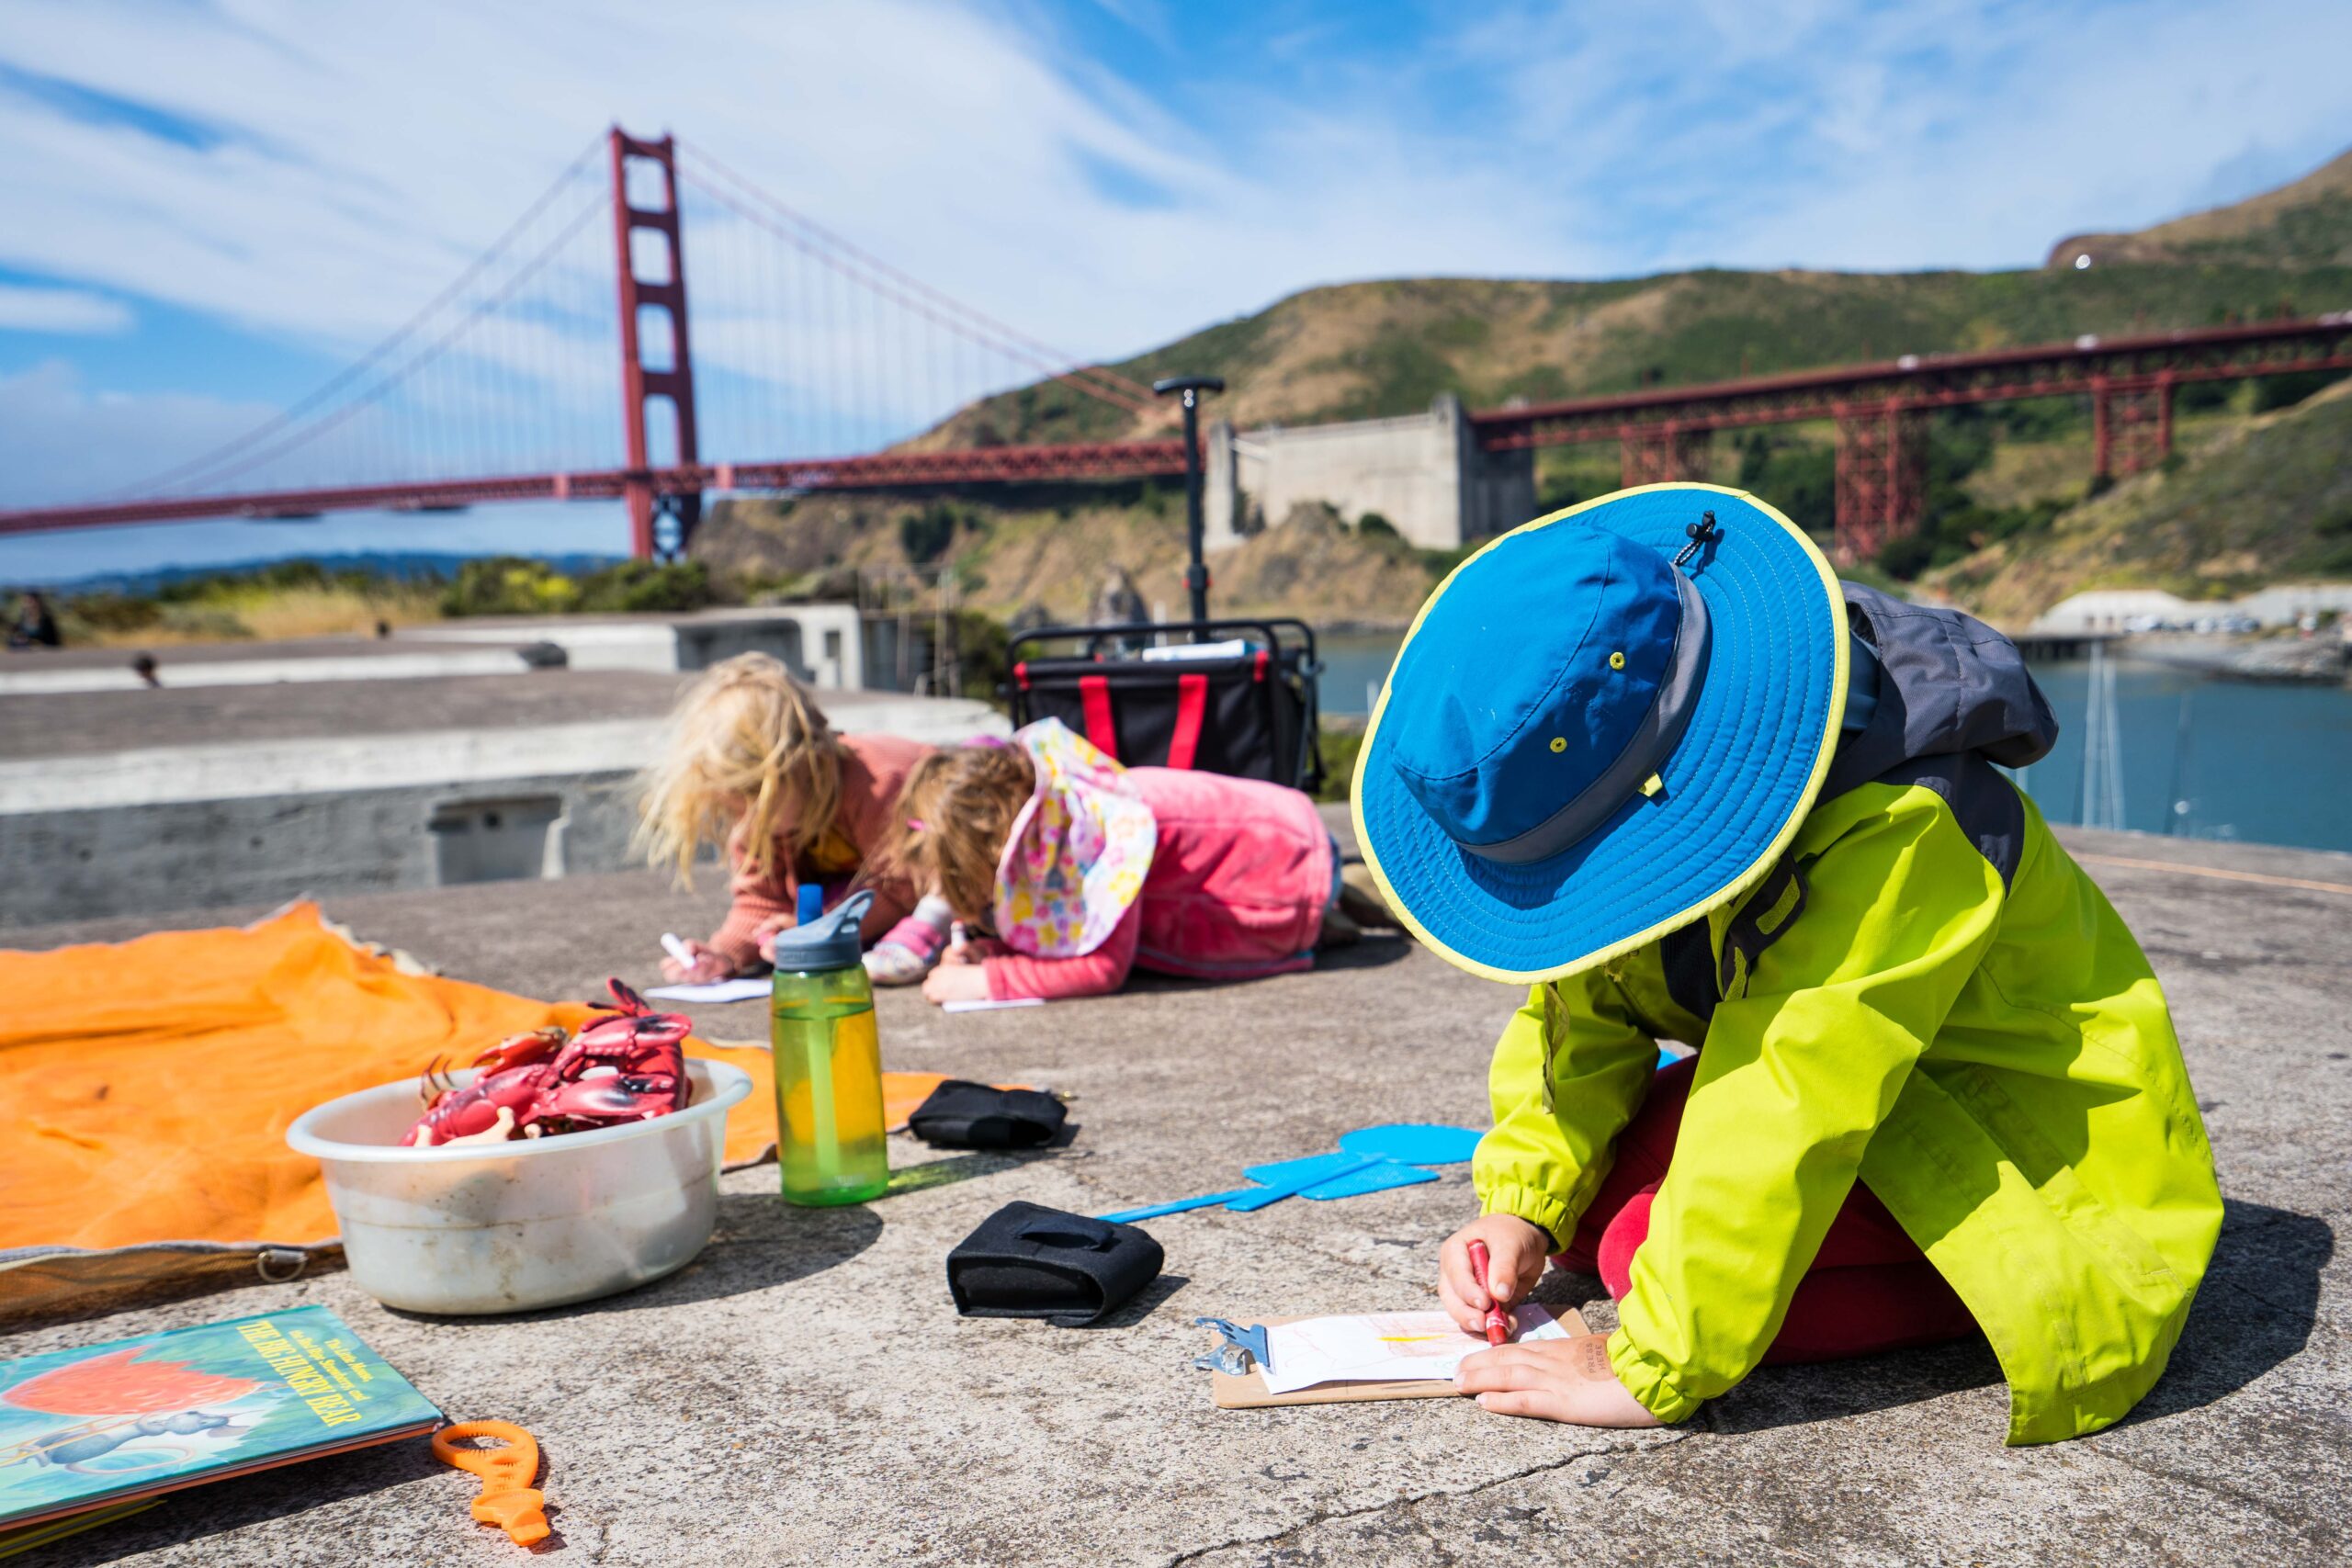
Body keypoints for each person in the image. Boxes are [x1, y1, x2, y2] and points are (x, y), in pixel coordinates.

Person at [1351, 483, 2221, 1445]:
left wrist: (1650, 1361)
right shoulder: (1648, 754)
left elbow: (1794, 1084)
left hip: (2025, 1144)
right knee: (1584, 1213)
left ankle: (2034, 1290)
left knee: (1643, 1249)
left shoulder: (1897, 821)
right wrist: (1520, 1205)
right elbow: (1585, 1003)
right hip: (1887, 1091)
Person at [881, 718, 1385, 1004]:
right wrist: (997, 951)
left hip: (1284, 875)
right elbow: (1068, 929)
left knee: (1334, 900)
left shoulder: (1097, 844)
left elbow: (1103, 966)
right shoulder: (1063, 820)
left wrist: (989, 981)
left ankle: (1340, 905)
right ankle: (1344, 898)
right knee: (1340, 892)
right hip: (1281, 836)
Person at [638, 652, 950, 985]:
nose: (745, 823)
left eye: (751, 801)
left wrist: (814, 930)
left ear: (806, 767)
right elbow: (762, 900)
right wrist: (726, 954)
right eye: (731, 810)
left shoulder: (879, 784)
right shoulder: (765, 812)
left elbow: (905, 888)